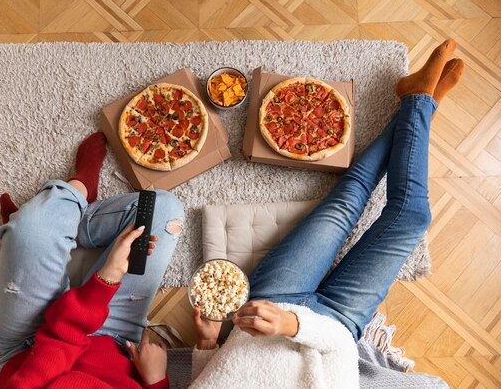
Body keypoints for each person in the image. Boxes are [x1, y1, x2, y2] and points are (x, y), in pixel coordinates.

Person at [190, 40, 464, 388]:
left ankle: (419, 102)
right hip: (339, 322)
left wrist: (206, 343)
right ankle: (418, 103)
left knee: (349, 198)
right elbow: (342, 354)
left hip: (273, 299)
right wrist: (293, 326)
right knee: (412, 218)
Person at [0, 132, 184, 388]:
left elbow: (60, 341)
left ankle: (78, 188)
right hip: (117, 339)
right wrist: (157, 381)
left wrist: (107, 279)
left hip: (33, 348)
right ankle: (62, 215)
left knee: (30, 232)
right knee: (165, 210)